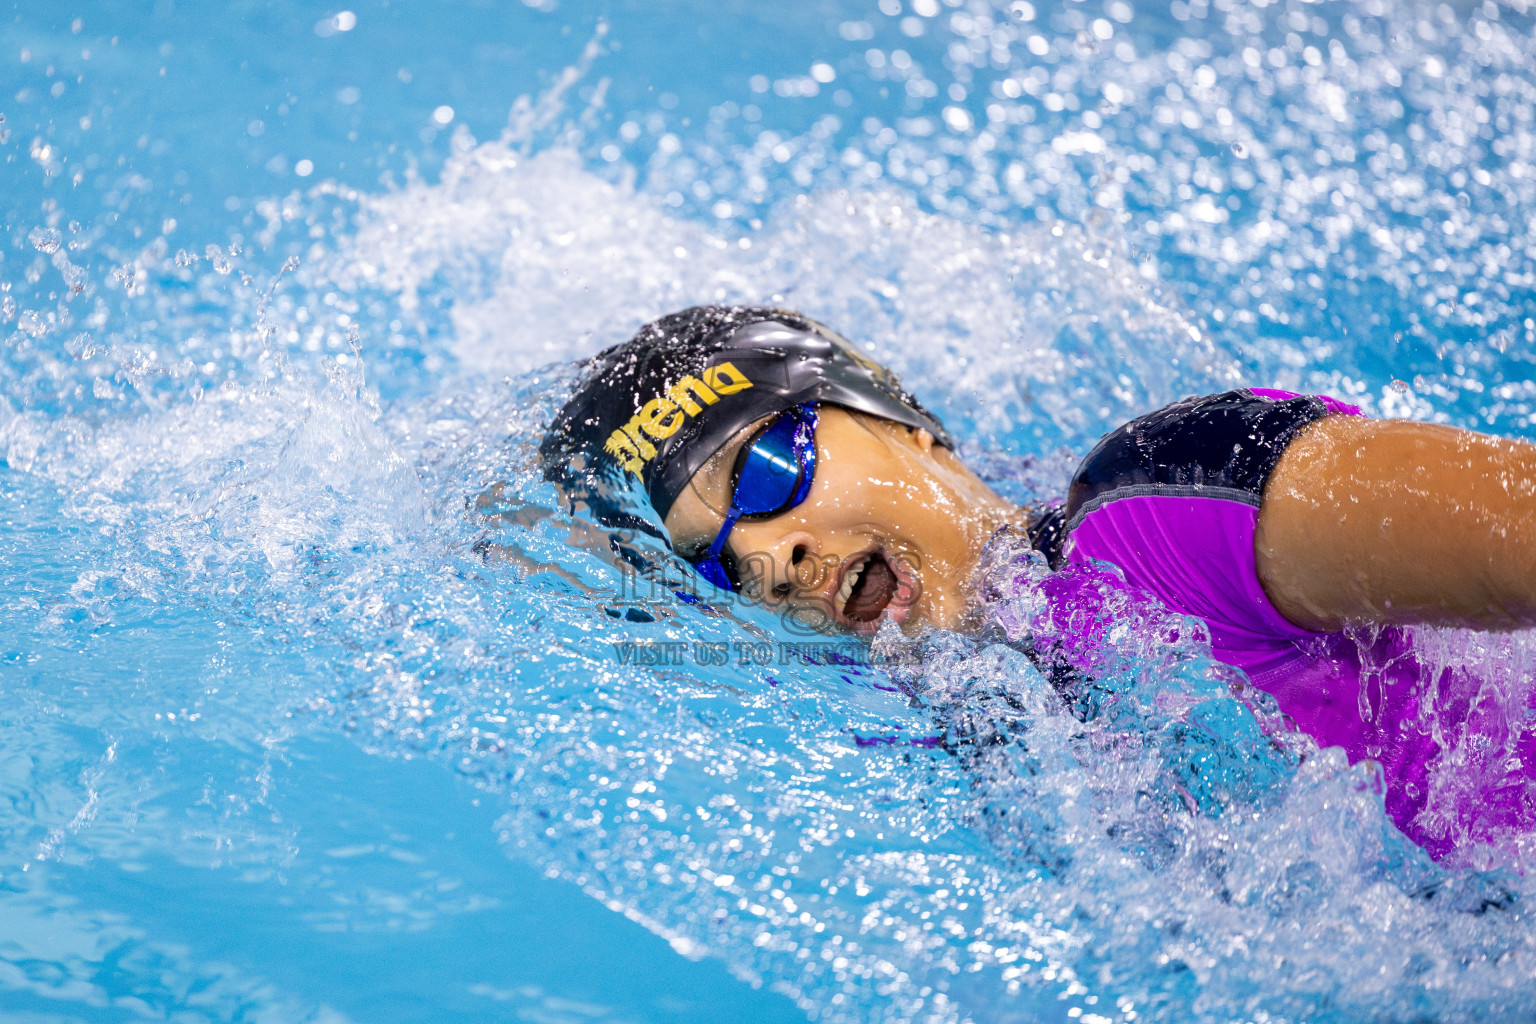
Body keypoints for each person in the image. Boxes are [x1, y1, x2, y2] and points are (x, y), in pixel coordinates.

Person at [539, 304, 1536, 859]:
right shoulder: (955, 723)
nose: (768, 558)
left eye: (763, 470)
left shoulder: (1162, 510)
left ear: (886, 404)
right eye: (722, 563)